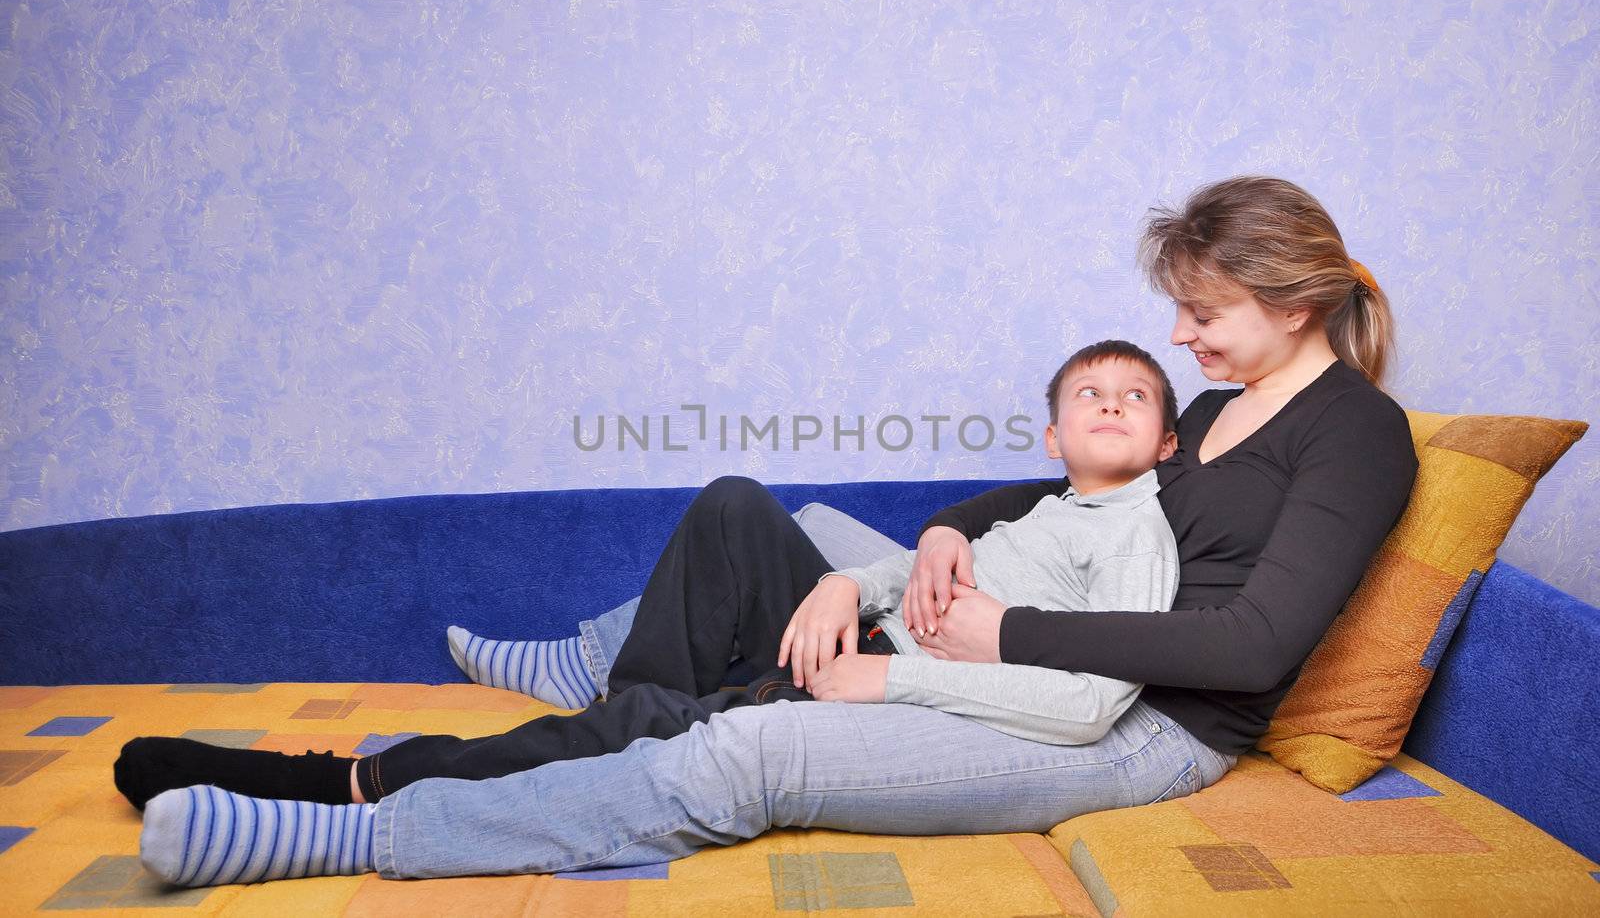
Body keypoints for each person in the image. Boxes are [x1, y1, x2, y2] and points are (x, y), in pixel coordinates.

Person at [136, 175, 1417, 888]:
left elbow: (1249, 645)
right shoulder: (1207, 407)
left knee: (738, 750)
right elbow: (1060, 501)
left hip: (1141, 728)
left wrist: (983, 633)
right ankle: (609, 674)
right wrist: (934, 547)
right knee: (769, 521)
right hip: (1035, 628)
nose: (1182, 335)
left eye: (1202, 309)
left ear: (1295, 296)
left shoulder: (1355, 433)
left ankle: (359, 819)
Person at [116, 338, 1180, 812]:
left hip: (908, 700)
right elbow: (919, 580)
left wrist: (887, 677)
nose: (1111, 401)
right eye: (1089, 391)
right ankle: (623, 704)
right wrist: (842, 588)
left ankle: (337, 782)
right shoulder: (1039, 508)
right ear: (1050, 431)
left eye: (1136, 395)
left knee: (655, 720)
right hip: (864, 638)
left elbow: (1082, 704)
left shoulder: (1137, 528)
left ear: (1168, 443)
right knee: (733, 503)